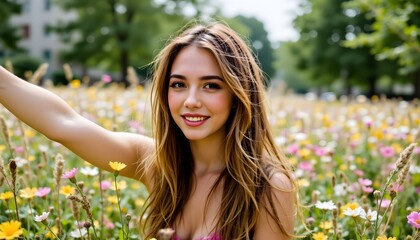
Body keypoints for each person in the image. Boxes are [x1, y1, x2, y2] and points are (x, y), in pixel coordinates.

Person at [0, 21, 297, 239]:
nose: (191, 101)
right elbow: (63, 124)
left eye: (210, 85)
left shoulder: (267, 187)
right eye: (178, 85)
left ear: (238, 94)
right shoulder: (158, 165)